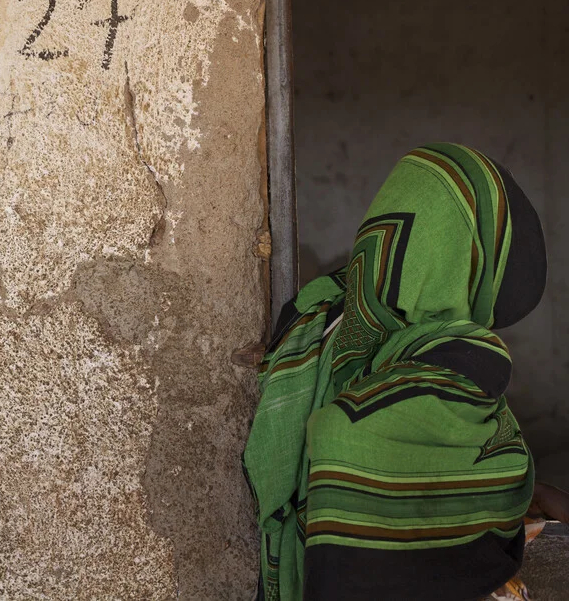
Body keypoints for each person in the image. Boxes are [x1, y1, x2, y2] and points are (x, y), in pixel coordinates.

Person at [243, 144, 568, 600]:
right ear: (470, 261)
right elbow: (352, 438)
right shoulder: (454, 351)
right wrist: (517, 487)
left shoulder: (317, 317)